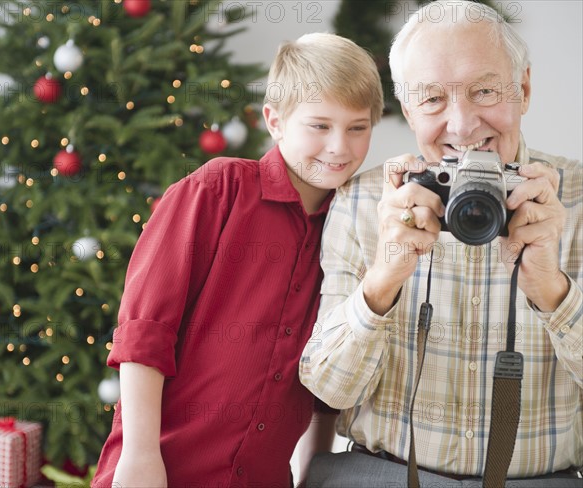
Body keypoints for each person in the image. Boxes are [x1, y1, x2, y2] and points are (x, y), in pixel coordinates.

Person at [299, 2, 582, 487]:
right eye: (431, 99)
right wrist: (383, 280)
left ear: (525, 89)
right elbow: (329, 389)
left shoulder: (573, 197)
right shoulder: (366, 199)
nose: (462, 125)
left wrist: (555, 293)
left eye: (485, 91)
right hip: (378, 473)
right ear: (407, 109)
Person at [91, 32, 383, 488]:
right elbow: (145, 333)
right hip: (159, 471)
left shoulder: (352, 228)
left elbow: (326, 376)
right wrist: (141, 457)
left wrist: (312, 472)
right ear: (275, 120)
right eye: (320, 125)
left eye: (357, 127)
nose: (339, 147)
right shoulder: (216, 190)